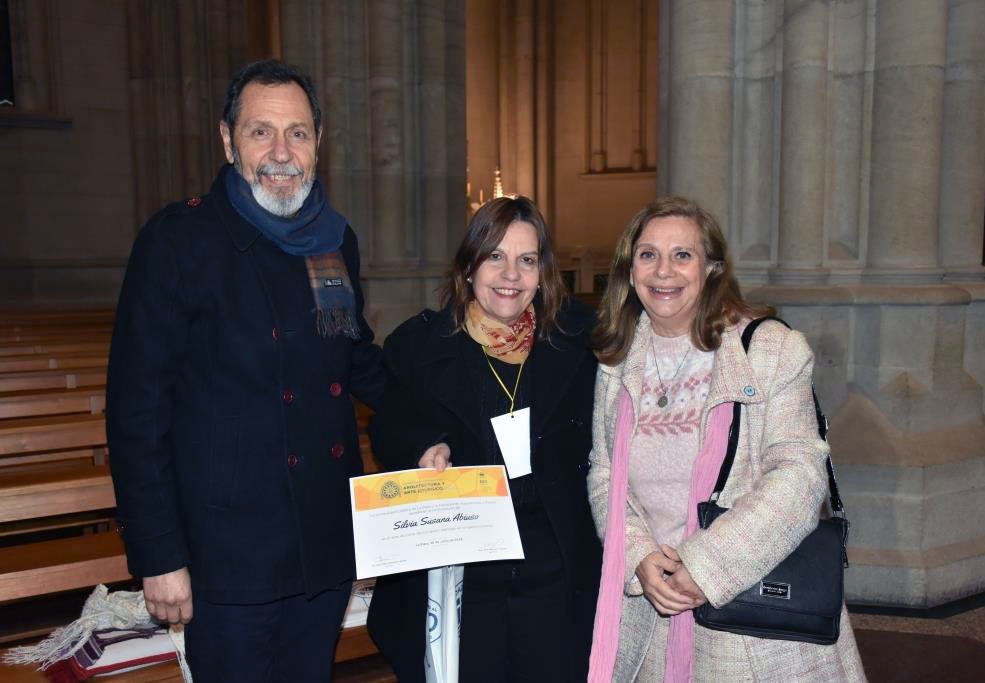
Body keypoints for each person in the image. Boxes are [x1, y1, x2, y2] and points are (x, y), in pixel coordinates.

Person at [106, 60, 383, 682]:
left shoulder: (335, 240)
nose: (281, 153)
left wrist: (449, 394)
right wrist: (158, 556)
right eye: (262, 132)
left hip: (322, 547)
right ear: (228, 140)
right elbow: (136, 412)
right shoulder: (178, 242)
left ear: (319, 143)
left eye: (299, 133)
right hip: (226, 557)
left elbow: (358, 360)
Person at [586, 197, 866, 681]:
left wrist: (705, 568)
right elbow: (604, 471)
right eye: (648, 254)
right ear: (630, 270)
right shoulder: (617, 360)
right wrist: (639, 558)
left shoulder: (771, 349)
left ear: (712, 268)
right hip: (652, 613)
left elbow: (799, 475)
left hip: (752, 614)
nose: (663, 271)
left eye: (683, 255)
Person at [366, 196, 602, 682]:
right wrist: (425, 445)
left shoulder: (582, 342)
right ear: (470, 266)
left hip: (554, 574)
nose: (510, 274)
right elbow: (389, 422)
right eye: (495, 256)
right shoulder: (419, 345)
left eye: (527, 260)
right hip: (464, 578)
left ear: (544, 272)